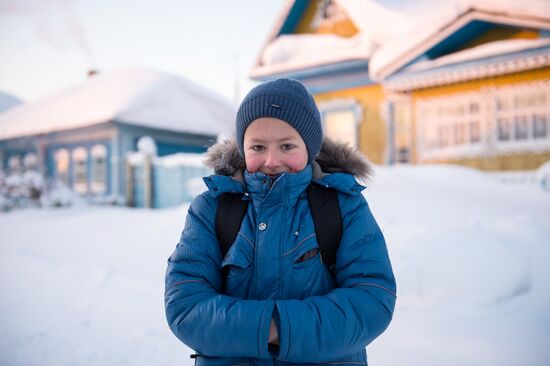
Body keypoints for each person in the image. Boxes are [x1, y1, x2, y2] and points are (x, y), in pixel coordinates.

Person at [165, 78, 396, 365]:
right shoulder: (211, 209)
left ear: (309, 147)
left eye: (287, 146)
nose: (272, 161)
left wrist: (278, 327)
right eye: (258, 147)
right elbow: (185, 305)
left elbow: (372, 300)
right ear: (242, 147)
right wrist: (269, 328)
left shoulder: (343, 206)